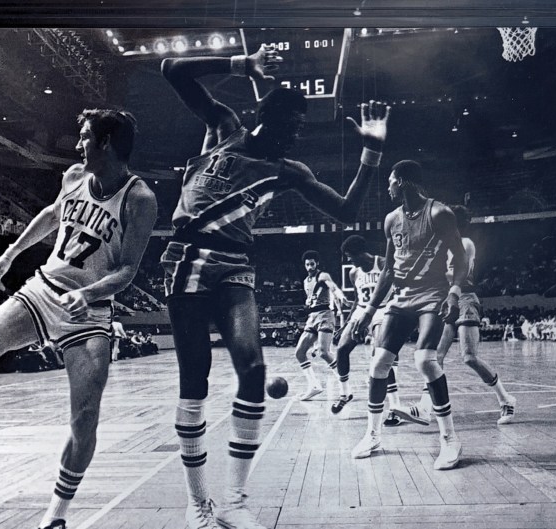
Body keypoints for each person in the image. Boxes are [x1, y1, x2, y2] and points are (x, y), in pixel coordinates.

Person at [161, 44, 389, 529]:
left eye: (301, 127)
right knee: (195, 380)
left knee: (253, 369)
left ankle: (234, 503)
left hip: (236, 266)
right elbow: (172, 69)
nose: (297, 133)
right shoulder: (224, 128)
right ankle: (197, 503)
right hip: (189, 260)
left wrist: (372, 150)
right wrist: (242, 65)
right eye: (292, 124)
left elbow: (347, 211)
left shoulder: (290, 171)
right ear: (264, 117)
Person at [0, 109, 157, 529]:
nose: (78, 144)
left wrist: (88, 293)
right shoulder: (74, 176)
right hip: (43, 289)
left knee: (85, 419)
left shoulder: (139, 199)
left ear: (106, 143)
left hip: (88, 313)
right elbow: (52, 215)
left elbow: (127, 270)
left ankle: (55, 516)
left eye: (84, 136)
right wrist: (10, 253)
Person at [351, 160, 465, 471]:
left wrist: (454, 293)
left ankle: (450, 439)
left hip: (433, 294)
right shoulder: (391, 219)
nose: (387, 186)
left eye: (390, 180)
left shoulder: (439, 213)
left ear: (402, 181)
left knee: (425, 360)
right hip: (402, 298)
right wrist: (369, 310)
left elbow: (460, 258)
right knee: (378, 364)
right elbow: (388, 270)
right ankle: (373, 435)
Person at [419, 205, 516, 425]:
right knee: (435, 357)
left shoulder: (466, 243)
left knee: (469, 357)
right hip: (447, 300)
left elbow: (461, 275)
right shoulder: (439, 246)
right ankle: (425, 407)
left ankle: (506, 399)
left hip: (466, 298)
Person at [331, 235, 404, 426]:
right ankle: (345, 394)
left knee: (381, 357)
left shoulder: (383, 264)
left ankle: (395, 408)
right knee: (341, 349)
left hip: (383, 310)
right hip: (361, 311)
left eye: (350, 256)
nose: (349, 261)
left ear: (360, 253)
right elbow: (357, 300)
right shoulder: (353, 273)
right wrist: (346, 323)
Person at [294, 250, 345, 401]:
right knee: (299, 353)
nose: (310, 267)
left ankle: (344, 384)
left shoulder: (322, 275)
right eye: (307, 264)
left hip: (325, 315)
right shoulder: (306, 281)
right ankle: (314, 386)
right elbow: (311, 299)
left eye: (312, 264)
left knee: (324, 352)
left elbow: (333, 287)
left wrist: (341, 297)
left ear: (317, 263)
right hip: (312, 317)